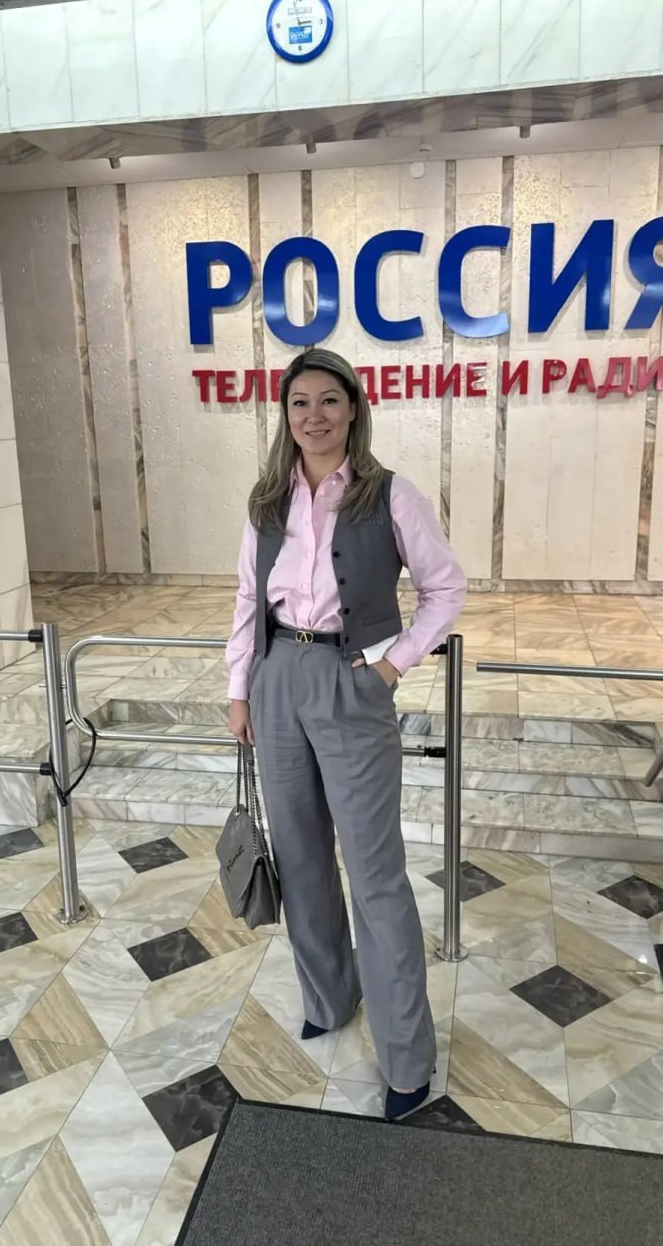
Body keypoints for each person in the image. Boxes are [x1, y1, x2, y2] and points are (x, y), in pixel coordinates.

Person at [226, 348, 466, 1121]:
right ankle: (329, 1000)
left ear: (353, 408)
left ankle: (406, 1059)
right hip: (277, 680)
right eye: (299, 402)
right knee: (299, 857)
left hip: (350, 680)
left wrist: (392, 665)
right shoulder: (267, 500)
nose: (314, 416)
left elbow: (444, 588)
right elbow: (246, 601)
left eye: (329, 400)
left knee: (374, 872)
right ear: (285, 414)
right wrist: (239, 690)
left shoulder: (389, 494)